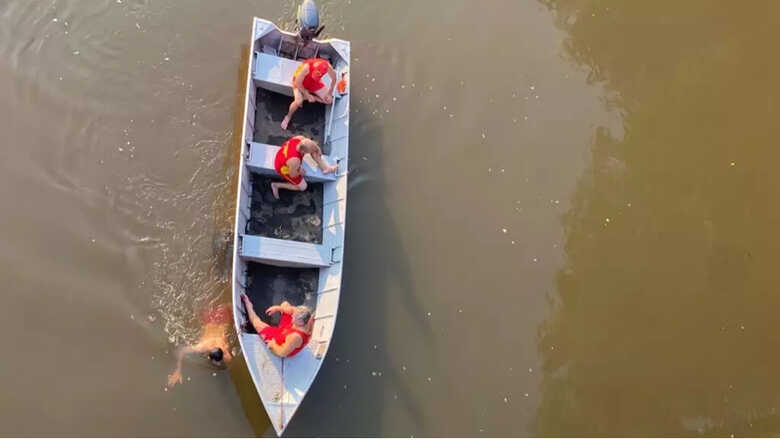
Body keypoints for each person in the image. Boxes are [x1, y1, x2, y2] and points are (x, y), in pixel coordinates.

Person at [167, 304, 234, 388]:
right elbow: (182, 350)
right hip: (214, 320)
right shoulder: (203, 346)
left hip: (218, 320)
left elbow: (182, 350)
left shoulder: (222, 348)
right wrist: (178, 370)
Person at [240, 293, 313, 358]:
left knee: (257, 324)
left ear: (300, 323)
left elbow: (282, 352)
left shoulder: (295, 337)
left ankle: (249, 305)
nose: (292, 317)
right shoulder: (307, 317)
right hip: (288, 330)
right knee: (285, 304)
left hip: (282, 343)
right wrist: (278, 308)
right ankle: (281, 320)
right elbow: (292, 310)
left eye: (294, 317)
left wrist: (273, 344)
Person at [271, 135, 337, 199]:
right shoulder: (295, 161)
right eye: (309, 151)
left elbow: (311, 145)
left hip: (283, 155)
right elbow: (293, 174)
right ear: (303, 152)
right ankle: (276, 185)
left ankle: (325, 168)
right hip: (282, 167)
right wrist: (299, 172)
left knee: (314, 152)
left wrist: (317, 149)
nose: (315, 150)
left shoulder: (300, 138)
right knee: (303, 187)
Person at [281, 57, 337, 130]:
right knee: (298, 101)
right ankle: (288, 116)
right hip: (300, 83)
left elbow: (334, 78)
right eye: (315, 74)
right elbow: (297, 83)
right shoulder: (306, 67)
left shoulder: (327, 66)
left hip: (314, 83)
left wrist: (330, 92)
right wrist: (307, 94)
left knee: (329, 100)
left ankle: (306, 98)